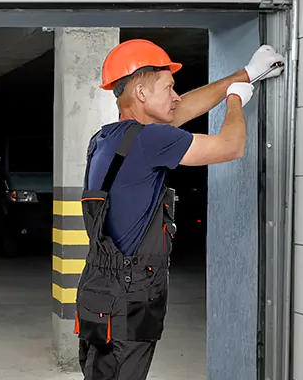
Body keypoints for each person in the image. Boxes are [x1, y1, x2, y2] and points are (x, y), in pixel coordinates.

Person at [74, 39, 285, 379]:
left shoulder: (108, 139)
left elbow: (182, 109)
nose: (176, 97)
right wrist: (234, 101)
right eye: (168, 88)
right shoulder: (149, 140)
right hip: (130, 296)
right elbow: (231, 147)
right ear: (141, 93)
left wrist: (246, 74)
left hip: (98, 293)